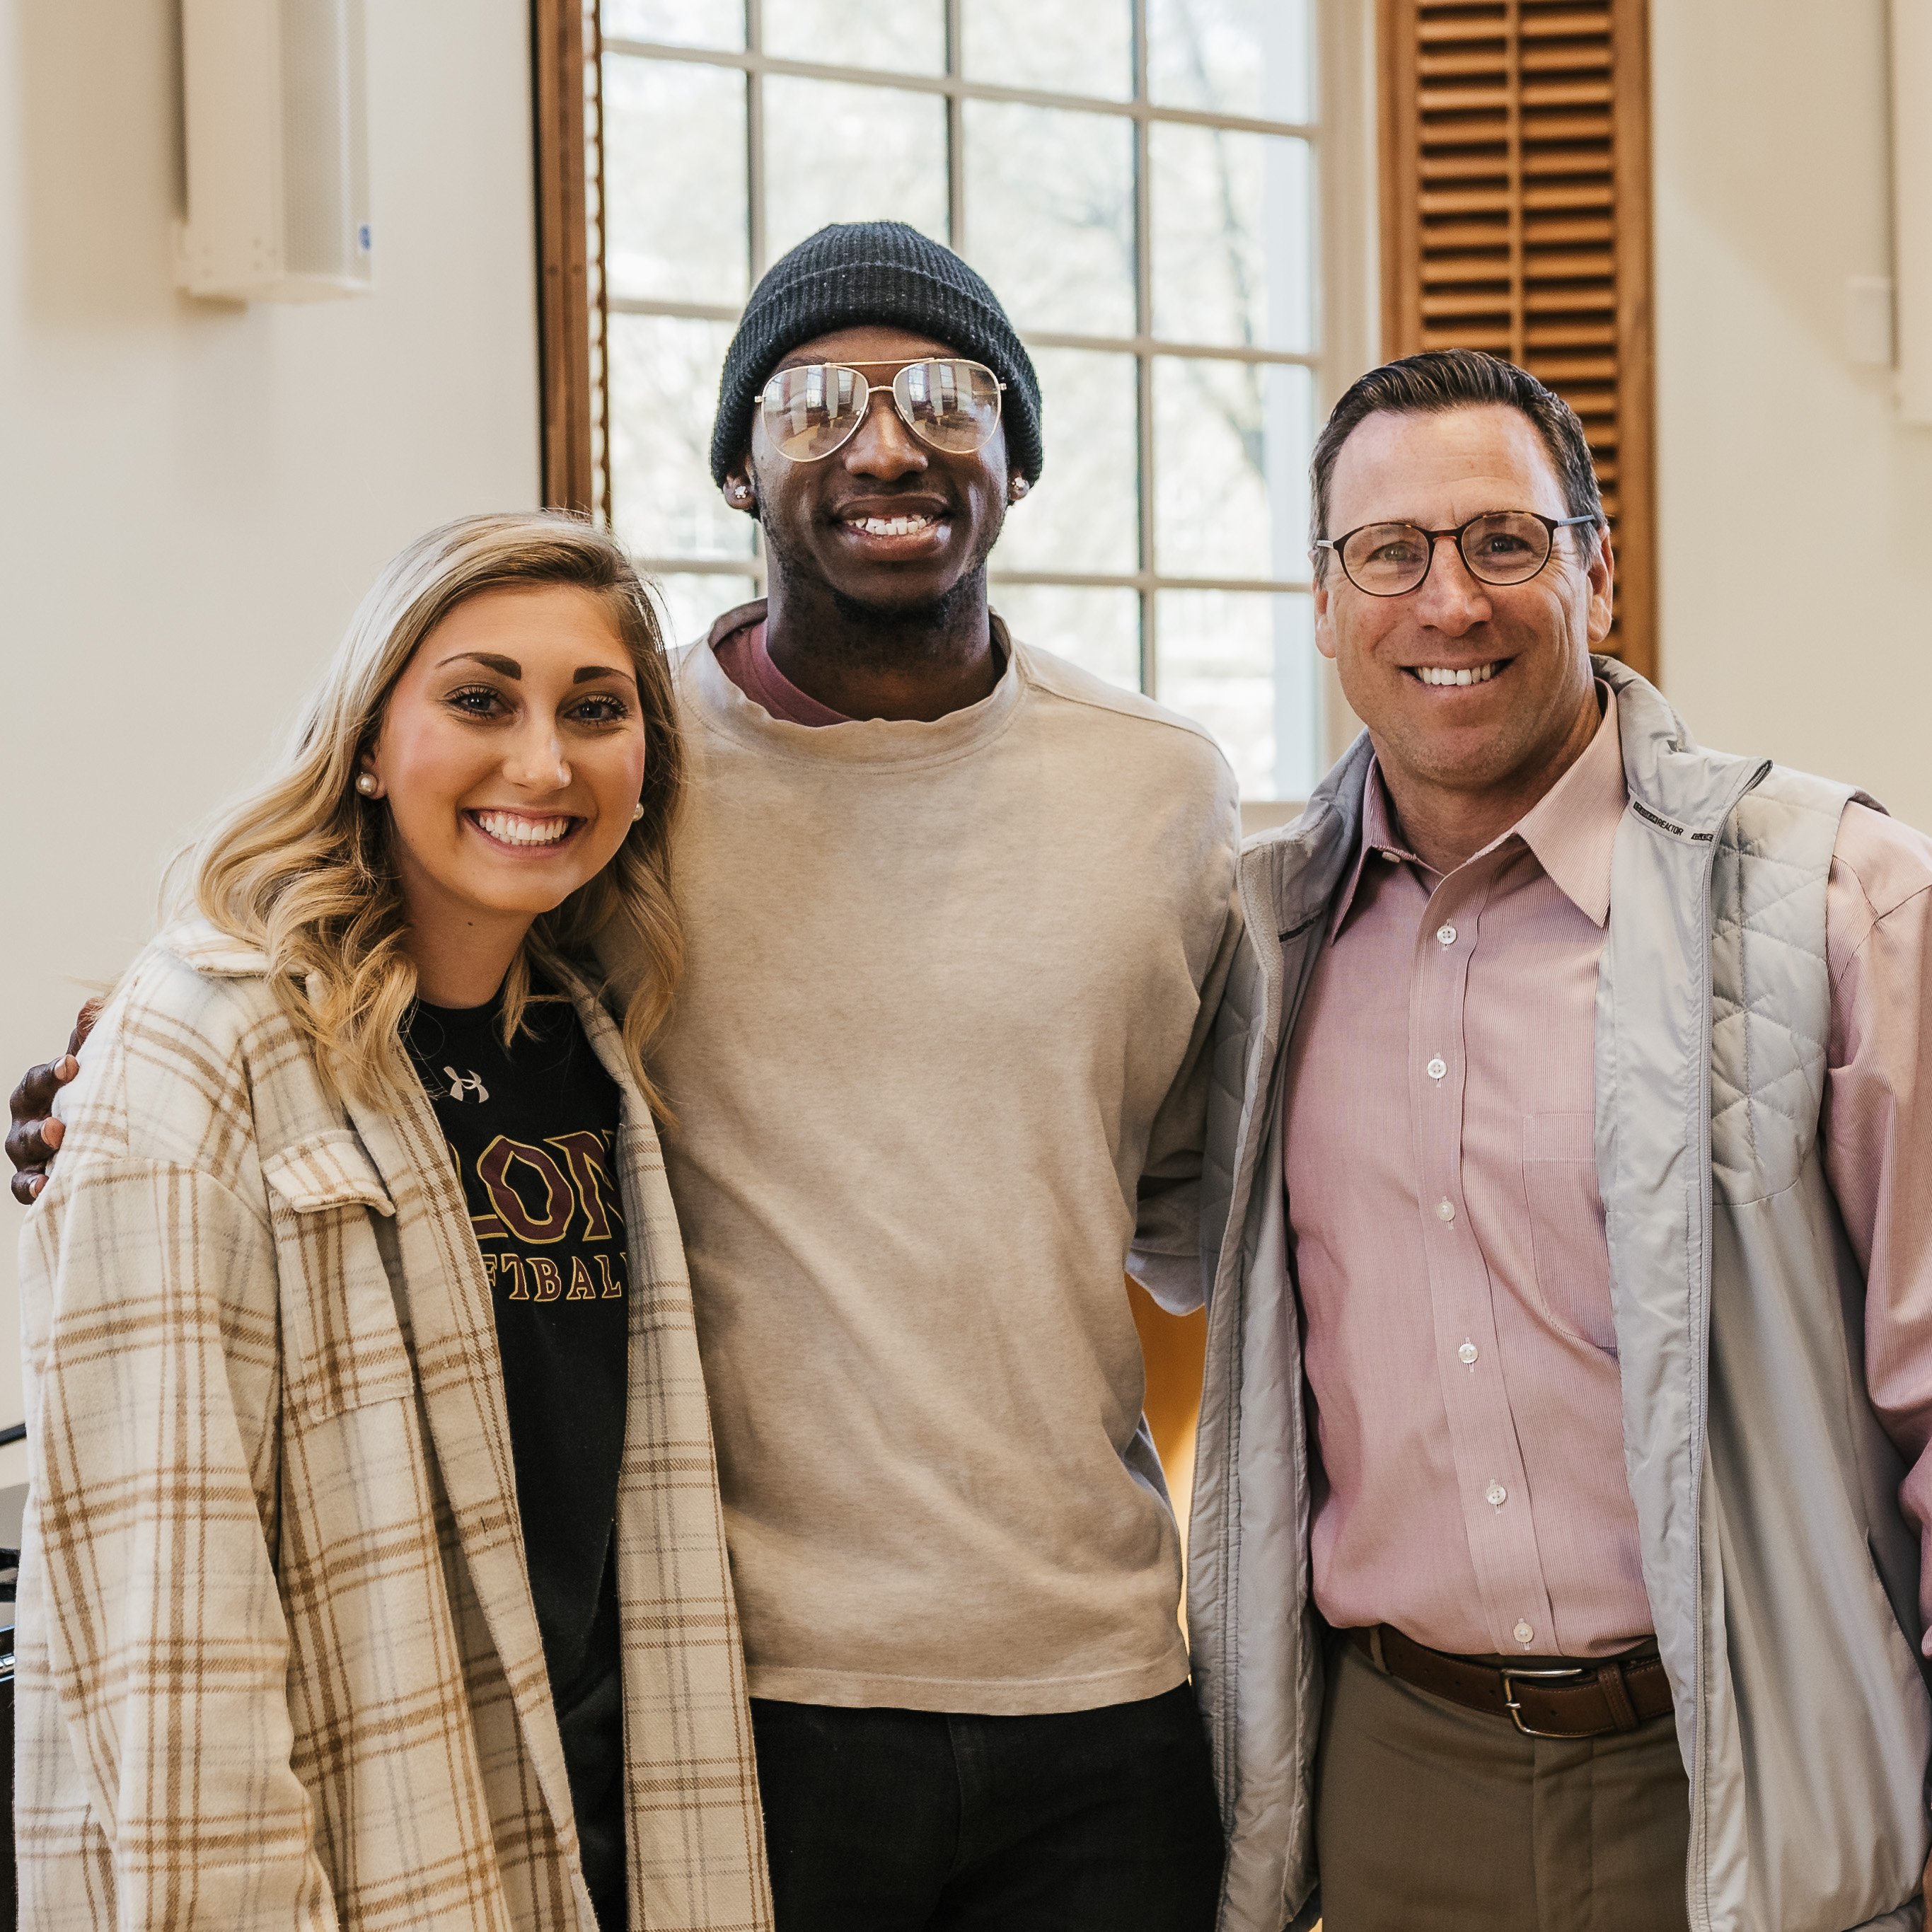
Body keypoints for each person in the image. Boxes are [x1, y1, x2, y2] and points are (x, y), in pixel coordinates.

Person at [13, 224, 1237, 1931]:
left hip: (1089, 1680)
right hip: (735, 1695)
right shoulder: (622, 769)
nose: (885, 442)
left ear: (1017, 457)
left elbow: (1195, 1212)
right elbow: (360, 950)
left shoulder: (1160, 792)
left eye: (949, 396)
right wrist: (132, 1080)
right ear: (737, 467)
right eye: (812, 402)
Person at [1184, 347, 1932, 1931]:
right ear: (1324, 601)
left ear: (1596, 571)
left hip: (1744, 1772)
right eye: (1390, 552)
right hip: (1395, 1779)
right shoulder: (1261, 945)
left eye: (1503, 542)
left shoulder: (1838, 901)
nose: (1447, 601)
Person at [11, 514, 770, 1931]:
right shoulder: (206, 1040)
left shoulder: (594, 1044)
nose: (541, 764)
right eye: (481, 700)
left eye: (594, 711)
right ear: (367, 742)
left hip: (607, 1831)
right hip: (363, 1851)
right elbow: (167, 1616)